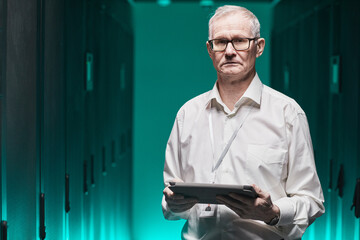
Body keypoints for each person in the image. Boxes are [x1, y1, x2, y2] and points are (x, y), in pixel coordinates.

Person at [162, 5, 325, 240]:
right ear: (210, 49)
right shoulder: (188, 114)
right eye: (220, 42)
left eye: (239, 41)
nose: (229, 51)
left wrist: (273, 213)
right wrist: (174, 205)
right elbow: (169, 201)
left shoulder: (288, 113)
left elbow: (312, 201)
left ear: (258, 47)